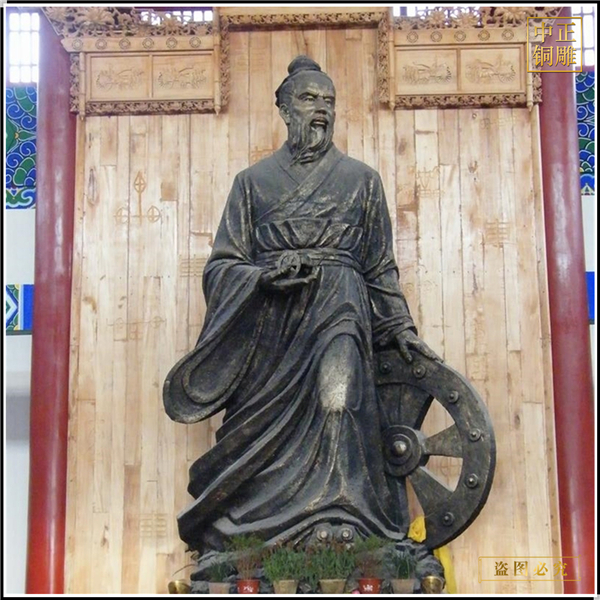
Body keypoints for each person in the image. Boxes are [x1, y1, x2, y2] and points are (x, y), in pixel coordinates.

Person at [163, 55, 439, 555]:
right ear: (285, 109)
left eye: (328, 101)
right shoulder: (252, 183)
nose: (321, 110)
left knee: (339, 402)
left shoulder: (362, 180)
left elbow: (379, 265)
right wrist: (264, 277)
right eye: (309, 99)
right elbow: (223, 265)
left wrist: (400, 326)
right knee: (263, 431)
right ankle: (258, 536)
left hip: (340, 306)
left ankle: (346, 521)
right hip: (272, 323)